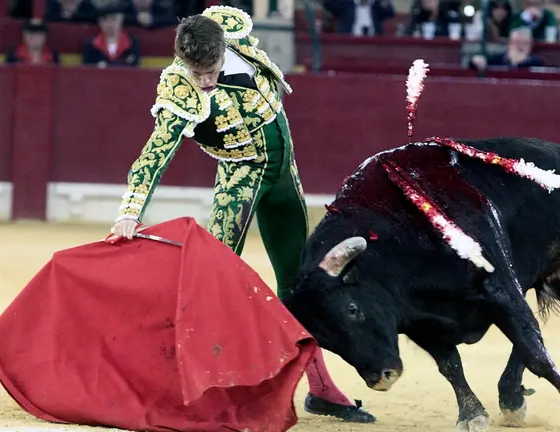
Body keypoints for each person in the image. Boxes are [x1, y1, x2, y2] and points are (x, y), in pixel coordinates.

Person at [109, 5, 376, 423]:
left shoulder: (230, 28)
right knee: (213, 285)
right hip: (241, 181)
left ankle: (321, 388)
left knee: (297, 282)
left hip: (285, 176)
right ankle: (194, 383)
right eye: (196, 71)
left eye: (210, 68)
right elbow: (156, 151)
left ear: (222, 47)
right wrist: (130, 209)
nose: (205, 80)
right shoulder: (179, 87)